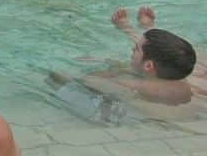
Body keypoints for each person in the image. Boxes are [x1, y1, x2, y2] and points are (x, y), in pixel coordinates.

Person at [49, 11, 198, 123]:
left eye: (136, 49)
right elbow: (140, 64)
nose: (132, 49)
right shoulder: (176, 76)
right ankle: (134, 28)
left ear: (148, 65)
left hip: (138, 112)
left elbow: (91, 81)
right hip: (152, 80)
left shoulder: (140, 85)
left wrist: (106, 72)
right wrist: (109, 61)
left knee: (55, 76)